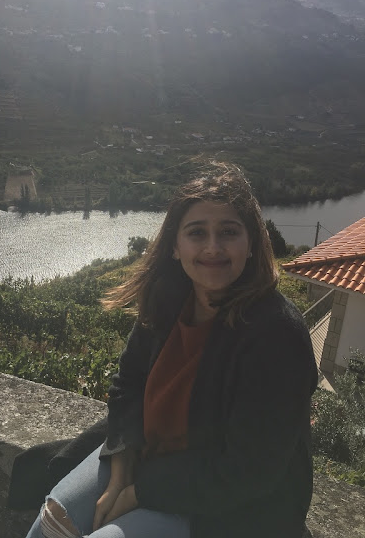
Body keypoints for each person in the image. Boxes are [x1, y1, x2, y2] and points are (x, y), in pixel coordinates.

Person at [24, 161, 318, 538]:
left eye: (229, 232)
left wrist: (137, 493)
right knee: (50, 524)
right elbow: (128, 385)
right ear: (176, 247)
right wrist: (121, 469)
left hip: (231, 506)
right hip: (147, 457)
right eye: (197, 232)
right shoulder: (168, 302)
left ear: (251, 245)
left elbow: (248, 471)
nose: (213, 247)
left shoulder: (276, 334)